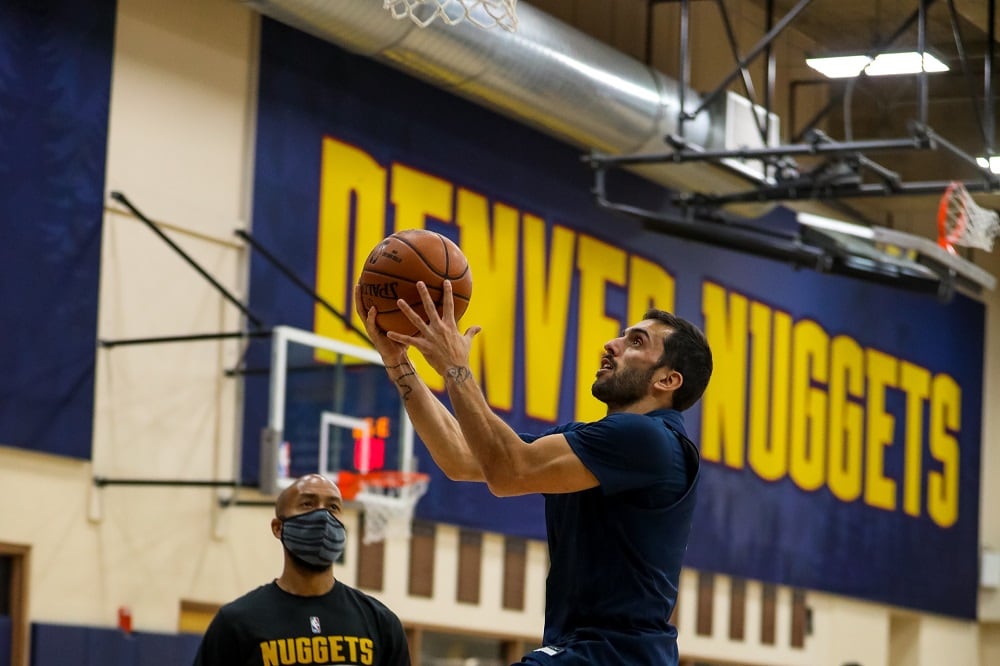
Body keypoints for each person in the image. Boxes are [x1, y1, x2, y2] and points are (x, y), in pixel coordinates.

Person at [357, 280, 713, 665]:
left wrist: (456, 369)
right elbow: (461, 457)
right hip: (587, 650)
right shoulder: (593, 441)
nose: (612, 344)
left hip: (615, 654)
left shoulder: (650, 439)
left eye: (637, 342)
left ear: (667, 380)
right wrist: (398, 362)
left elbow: (509, 470)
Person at [192, 473, 411, 666]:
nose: (323, 516)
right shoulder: (236, 623)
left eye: (333, 507)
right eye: (308, 504)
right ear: (278, 527)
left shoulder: (380, 623)